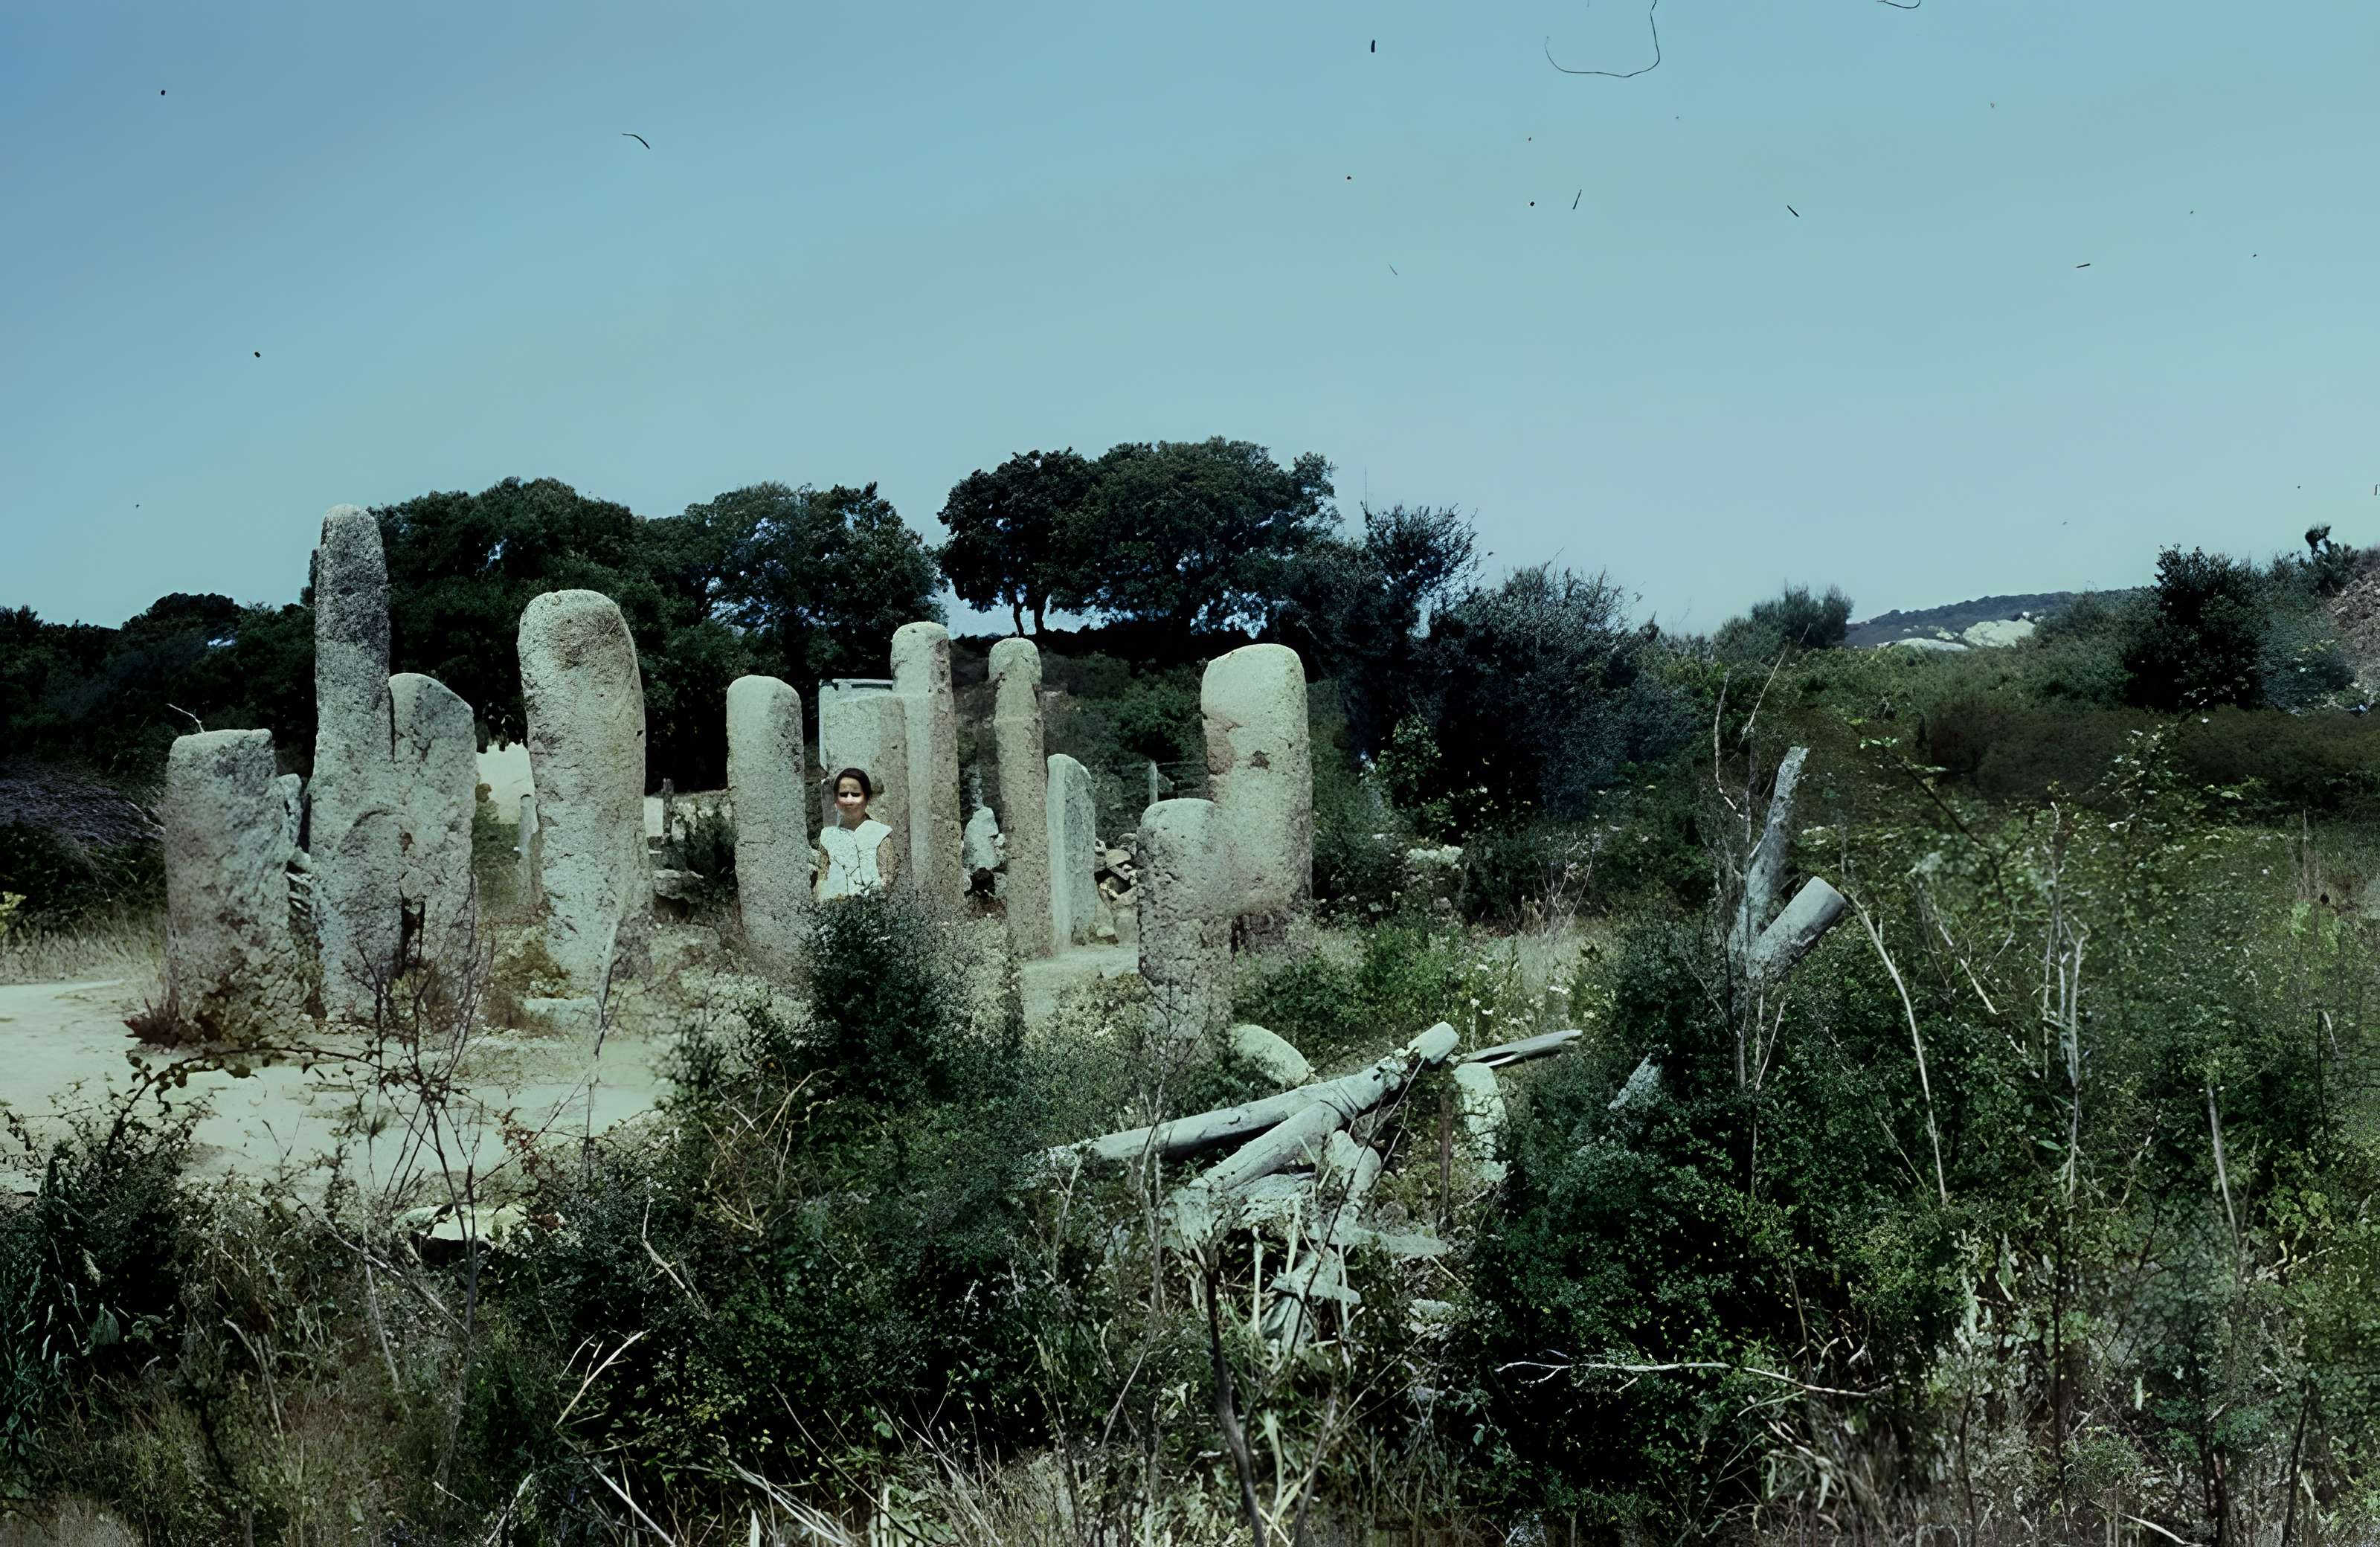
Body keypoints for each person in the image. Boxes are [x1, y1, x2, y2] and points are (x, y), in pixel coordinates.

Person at [814, 766, 899, 902]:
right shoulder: (827, 836)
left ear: (867, 798)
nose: (849, 801)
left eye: (855, 795)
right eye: (843, 795)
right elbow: (822, 878)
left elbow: (887, 879)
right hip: (833, 911)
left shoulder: (880, 833)